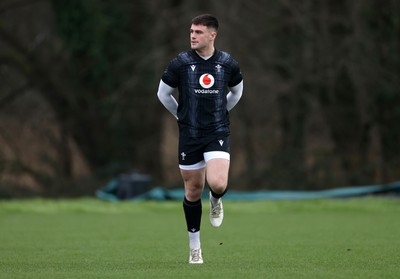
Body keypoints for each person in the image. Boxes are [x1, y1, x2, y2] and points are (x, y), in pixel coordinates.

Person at [157, 14, 243, 264]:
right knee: (193, 191)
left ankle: (216, 200)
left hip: (216, 131)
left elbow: (237, 91)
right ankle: (195, 248)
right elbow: (163, 94)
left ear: (212, 35)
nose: (193, 36)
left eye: (198, 32)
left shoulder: (227, 63)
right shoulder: (180, 63)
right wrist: (180, 115)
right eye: (191, 31)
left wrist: (222, 111)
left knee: (216, 183)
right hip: (190, 134)